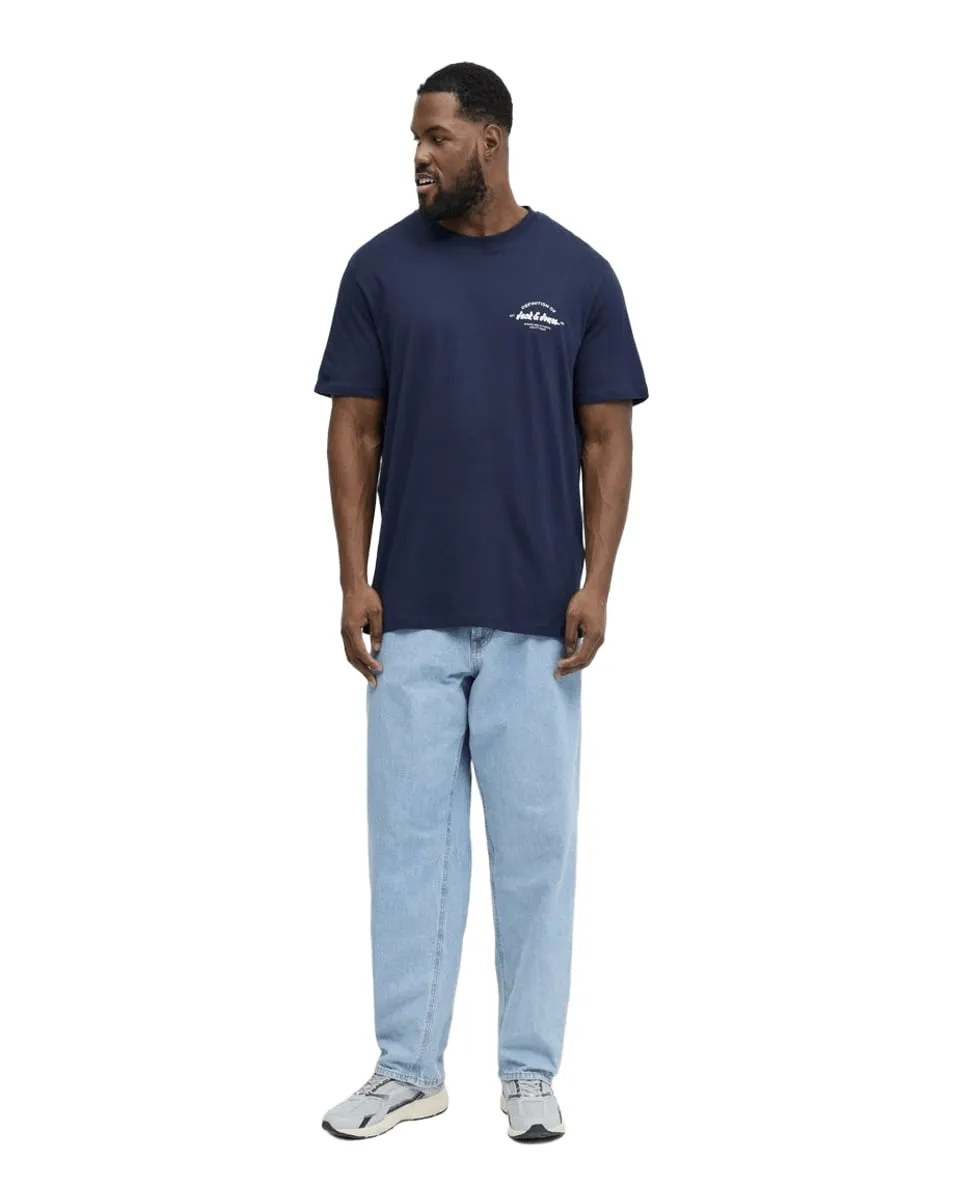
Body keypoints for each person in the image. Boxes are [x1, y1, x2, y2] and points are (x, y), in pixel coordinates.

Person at [315, 61, 648, 1142]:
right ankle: (407, 1068)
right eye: (415, 139)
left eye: (436, 138)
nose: (419, 157)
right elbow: (354, 428)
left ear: (490, 141)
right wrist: (353, 577)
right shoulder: (378, 270)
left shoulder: (577, 273)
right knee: (409, 850)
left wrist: (597, 583)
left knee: (536, 852)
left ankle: (528, 1073)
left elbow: (606, 438)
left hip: (537, 620)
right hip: (409, 614)